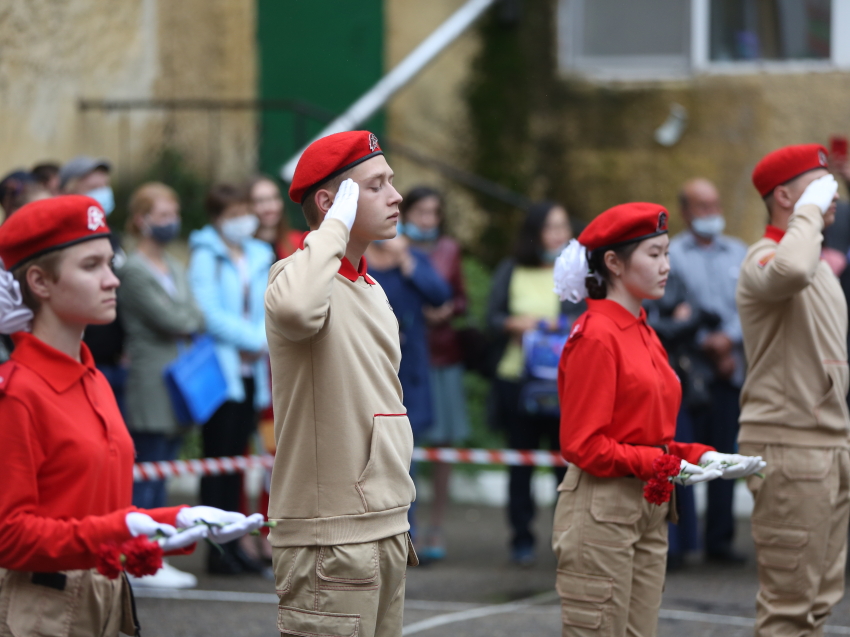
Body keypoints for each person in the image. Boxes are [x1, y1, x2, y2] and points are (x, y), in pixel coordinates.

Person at [0, 196, 263, 636]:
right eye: (91, 266)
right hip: (41, 608)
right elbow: (10, 537)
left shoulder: (94, 380)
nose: (112, 280)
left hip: (105, 592)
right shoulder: (18, 392)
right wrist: (120, 527)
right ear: (40, 282)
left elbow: (103, 512)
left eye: (110, 263)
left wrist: (176, 520)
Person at [551, 202, 764, 636]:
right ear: (613, 262)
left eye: (667, 253)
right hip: (604, 505)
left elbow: (648, 434)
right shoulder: (596, 335)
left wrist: (703, 456)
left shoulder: (644, 329)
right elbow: (582, 444)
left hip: (648, 501)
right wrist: (664, 465)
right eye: (654, 254)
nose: (667, 266)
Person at [265, 131, 418, 637]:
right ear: (333, 204)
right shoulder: (293, 277)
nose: (396, 196)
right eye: (376, 185)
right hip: (329, 536)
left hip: (384, 524)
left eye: (390, 182)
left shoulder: (371, 286)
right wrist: (331, 228)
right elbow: (295, 309)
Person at [737, 144, 849, 636]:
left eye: (834, 188)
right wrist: (807, 213)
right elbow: (792, 269)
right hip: (790, 443)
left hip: (829, 442)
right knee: (788, 611)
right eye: (818, 187)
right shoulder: (764, 261)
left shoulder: (821, 267)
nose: (833, 196)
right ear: (784, 196)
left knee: (818, 604)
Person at [119, 182, 204, 588]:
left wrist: (185, 315)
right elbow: (177, 319)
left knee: (164, 465)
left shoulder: (173, 263)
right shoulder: (133, 268)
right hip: (150, 378)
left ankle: (152, 553)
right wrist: (185, 316)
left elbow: (193, 312)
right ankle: (141, 557)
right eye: (162, 215)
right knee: (147, 470)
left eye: (173, 214)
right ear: (141, 220)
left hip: (177, 378)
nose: (170, 222)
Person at [486, 201, 580, 566]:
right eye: (550, 227)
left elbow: (590, 316)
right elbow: (490, 318)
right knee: (520, 464)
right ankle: (521, 538)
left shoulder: (577, 272)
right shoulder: (511, 269)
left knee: (565, 467)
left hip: (564, 383)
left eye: (563, 226)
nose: (558, 234)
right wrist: (514, 324)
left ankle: (567, 540)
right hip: (517, 381)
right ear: (534, 232)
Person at [188, 183, 273, 575]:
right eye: (233, 212)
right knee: (217, 463)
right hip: (221, 373)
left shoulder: (260, 252)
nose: (243, 219)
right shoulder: (205, 253)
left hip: (252, 371)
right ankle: (215, 549)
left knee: (238, 462)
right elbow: (208, 311)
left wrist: (261, 337)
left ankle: (234, 544)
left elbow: (270, 300)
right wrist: (253, 338)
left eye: (245, 209)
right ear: (216, 218)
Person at [668, 178, 749, 563]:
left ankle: (720, 540)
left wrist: (728, 340)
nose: (711, 213)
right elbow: (675, 310)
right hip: (688, 373)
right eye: (702, 207)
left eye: (715, 205)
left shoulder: (740, 252)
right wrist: (708, 344)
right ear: (685, 212)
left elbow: (750, 309)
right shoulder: (672, 255)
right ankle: (683, 542)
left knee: (724, 458)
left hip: (730, 370)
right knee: (684, 458)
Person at [366, 231, 451, 546]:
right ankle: (372, 530)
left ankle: (404, 534)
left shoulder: (412, 260)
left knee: (404, 455)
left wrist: (406, 261)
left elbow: (440, 295)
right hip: (370, 369)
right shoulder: (359, 259)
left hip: (409, 373)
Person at [400, 186, 470, 561]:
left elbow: (457, 296)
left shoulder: (448, 250)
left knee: (442, 442)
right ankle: (403, 526)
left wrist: (446, 309)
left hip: (441, 355)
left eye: (434, 213)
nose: (427, 220)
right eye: (420, 212)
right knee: (403, 445)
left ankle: (435, 526)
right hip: (406, 355)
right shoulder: (390, 247)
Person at [61, 157, 127, 413]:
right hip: (79, 357)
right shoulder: (64, 241)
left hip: (115, 361)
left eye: (105, 185)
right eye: (93, 186)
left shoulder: (112, 237)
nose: (111, 280)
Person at [249, 174, 303, 259]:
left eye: (274, 198)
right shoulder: (239, 249)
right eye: (259, 201)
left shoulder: (299, 242)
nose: (269, 207)